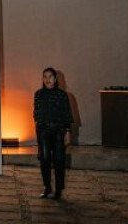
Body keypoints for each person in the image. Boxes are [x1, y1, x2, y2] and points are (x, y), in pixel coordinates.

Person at [33, 67, 72, 200]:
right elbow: (36, 114)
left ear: (55, 79)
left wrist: (67, 132)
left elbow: (67, 114)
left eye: (50, 76)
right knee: (44, 160)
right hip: (43, 131)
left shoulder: (62, 95)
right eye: (45, 76)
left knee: (59, 161)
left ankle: (59, 190)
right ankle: (47, 187)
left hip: (58, 132)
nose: (47, 79)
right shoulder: (38, 94)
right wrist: (38, 132)